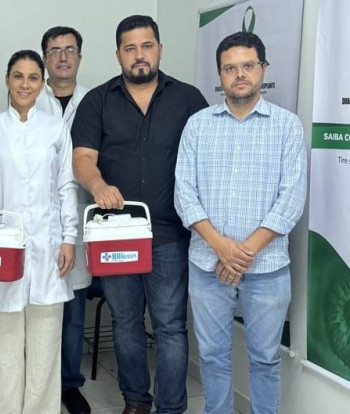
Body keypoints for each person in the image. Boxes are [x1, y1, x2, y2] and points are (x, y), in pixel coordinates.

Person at [71, 15, 208, 414]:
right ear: (118, 55)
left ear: (159, 49)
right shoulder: (97, 101)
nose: (139, 55)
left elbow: (208, 159)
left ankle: (171, 407)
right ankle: (135, 401)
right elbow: (82, 159)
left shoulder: (189, 99)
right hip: (116, 233)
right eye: (130, 48)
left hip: (171, 233)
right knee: (126, 322)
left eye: (146, 46)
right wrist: (98, 186)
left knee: (170, 326)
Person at [174, 31, 306, 414]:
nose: (240, 75)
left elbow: (291, 200)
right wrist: (221, 247)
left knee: (265, 359)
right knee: (212, 356)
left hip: (267, 267)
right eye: (230, 68)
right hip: (207, 264)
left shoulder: (287, 126)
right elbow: (184, 193)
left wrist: (240, 254)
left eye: (248, 66)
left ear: (263, 69)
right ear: (220, 75)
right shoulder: (198, 125)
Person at [0, 50, 78, 414]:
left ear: (42, 84)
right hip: (4, 247)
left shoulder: (55, 129)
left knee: (46, 347)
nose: (25, 84)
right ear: (7, 80)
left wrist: (69, 238)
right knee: (6, 348)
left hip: (48, 248)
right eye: (18, 76)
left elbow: (66, 186)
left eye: (33, 77)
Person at [36, 26, 92, 414]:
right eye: (54, 50)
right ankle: (40, 383)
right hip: (37, 222)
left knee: (73, 310)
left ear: (79, 57)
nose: (62, 57)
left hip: (81, 220)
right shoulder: (28, 98)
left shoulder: (95, 101)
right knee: (38, 310)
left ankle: (69, 384)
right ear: (44, 58)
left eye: (70, 50)